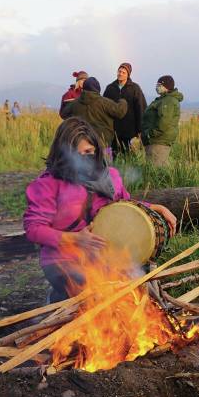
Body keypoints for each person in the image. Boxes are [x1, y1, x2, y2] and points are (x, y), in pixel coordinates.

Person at [24, 118, 177, 303]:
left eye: (89, 152)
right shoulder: (48, 184)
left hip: (105, 258)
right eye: (78, 154)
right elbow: (34, 229)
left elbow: (124, 206)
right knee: (93, 293)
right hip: (63, 261)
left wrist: (154, 208)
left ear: (96, 150)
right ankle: (58, 300)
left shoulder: (110, 176)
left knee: (131, 290)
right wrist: (75, 239)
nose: (85, 159)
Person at [61, 77, 127, 157]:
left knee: (81, 169)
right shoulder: (104, 102)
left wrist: (66, 103)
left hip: (80, 147)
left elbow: (63, 114)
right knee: (104, 168)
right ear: (97, 89)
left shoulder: (75, 103)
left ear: (84, 88)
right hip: (102, 145)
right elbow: (120, 112)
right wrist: (123, 101)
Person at [103, 62, 146, 157]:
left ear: (128, 75)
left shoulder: (135, 89)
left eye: (123, 72)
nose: (120, 74)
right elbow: (104, 106)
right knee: (113, 156)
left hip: (130, 130)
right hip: (113, 129)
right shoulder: (110, 88)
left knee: (128, 156)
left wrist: (140, 130)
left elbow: (140, 108)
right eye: (119, 71)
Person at [140, 75, 183, 166]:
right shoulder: (163, 99)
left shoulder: (168, 100)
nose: (157, 87)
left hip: (159, 141)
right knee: (154, 168)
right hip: (156, 140)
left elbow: (164, 121)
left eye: (159, 85)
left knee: (157, 169)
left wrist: (150, 134)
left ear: (166, 86)